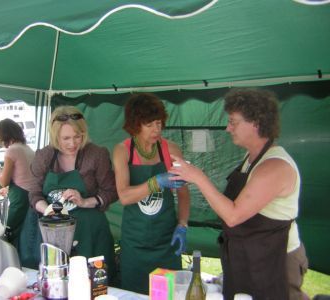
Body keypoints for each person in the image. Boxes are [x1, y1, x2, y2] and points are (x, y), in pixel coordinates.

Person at [170, 88, 309, 300]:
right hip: (250, 258)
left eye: (233, 122)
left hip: (276, 262)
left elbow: (233, 216)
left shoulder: (274, 167)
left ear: (256, 123)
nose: (227, 128)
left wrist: (198, 177)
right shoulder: (250, 158)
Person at [22, 105, 118, 284]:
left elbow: (111, 191)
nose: (72, 143)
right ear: (55, 136)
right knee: (56, 284)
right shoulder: (44, 156)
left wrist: (85, 201)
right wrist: (47, 209)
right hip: (53, 234)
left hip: (91, 234)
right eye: (65, 138)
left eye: (77, 136)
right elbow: (34, 194)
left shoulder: (97, 154)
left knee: (93, 286)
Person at [112, 93, 190, 295]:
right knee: (133, 294)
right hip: (135, 243)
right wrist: (157, 182)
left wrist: (182, 224)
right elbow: (125, 196)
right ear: (135, 124)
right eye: (149, 124)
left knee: (169, 294)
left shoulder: (170, 150)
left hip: (166, 240)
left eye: (159, 123)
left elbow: (183, 193)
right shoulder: (123, 151)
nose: (157, 129)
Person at [0, 118, 35, 249]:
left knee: (4, 231)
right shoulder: (28, 148)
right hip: (33, 196)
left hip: (20, 198)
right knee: (25, 233)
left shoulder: (12, 150)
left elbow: (4, 181)